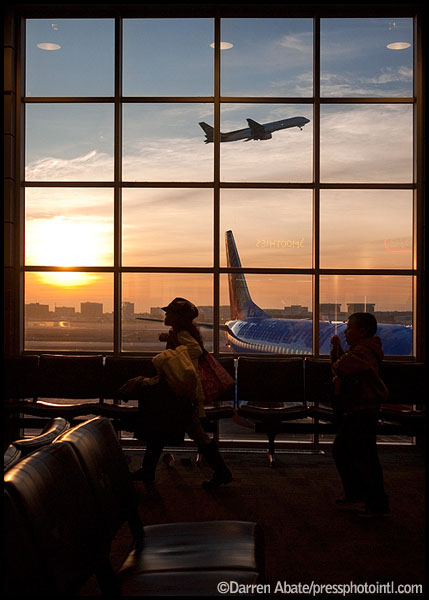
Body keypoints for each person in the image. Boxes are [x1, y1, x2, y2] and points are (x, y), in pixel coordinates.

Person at [122, 297, 232, 490]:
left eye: (170, 312)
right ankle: (148, 472)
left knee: (188, 434)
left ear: (179, 317)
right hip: (181, 395)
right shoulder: (180, 334)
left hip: (180, 396)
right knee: (162, 432)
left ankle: (222, 472)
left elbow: (193, 351)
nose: (166, 314)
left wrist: (169, 356)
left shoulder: (181, 336)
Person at [330, 312, 390, 517]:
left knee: (356, 455)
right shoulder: (368, 350)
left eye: (350, 327)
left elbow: (341, 367)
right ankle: (363, 497)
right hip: (364, 410)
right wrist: (339, 350)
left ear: (362, 331)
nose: (346, 332)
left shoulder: (363, 353)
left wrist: (337, 353)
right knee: (360, 454)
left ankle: (371, 501)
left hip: (361, 411)